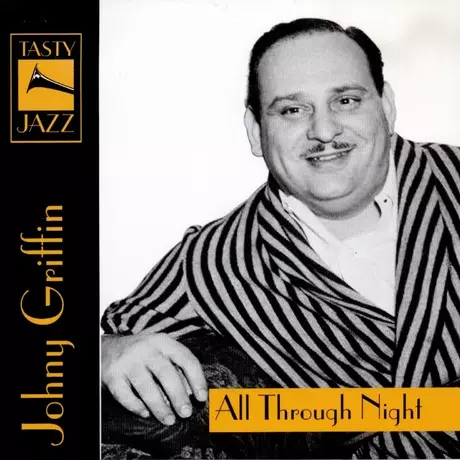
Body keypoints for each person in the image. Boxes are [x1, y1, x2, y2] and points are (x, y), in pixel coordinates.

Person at [101, 18, 460, 459]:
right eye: (292, 110)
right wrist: (107, 352)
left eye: (346, 100)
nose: (324, 130)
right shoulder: (216, 261)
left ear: (386, 107)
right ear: (256, 132)